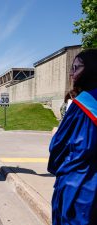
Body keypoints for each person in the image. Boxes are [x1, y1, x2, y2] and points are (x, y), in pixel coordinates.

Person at [47, 48, 97, 225]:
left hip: (80, 185)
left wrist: (55, 134)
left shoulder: (83, 104)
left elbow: (59, 147)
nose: (71, 73)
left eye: (77, 68)